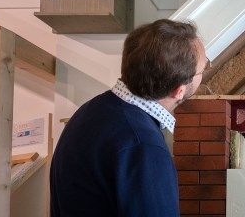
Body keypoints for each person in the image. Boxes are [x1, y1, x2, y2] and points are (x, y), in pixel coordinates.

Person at [50, 19, 208, 217]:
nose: (204, 72)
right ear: (179, 90)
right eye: (203, 69)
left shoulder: (89, 111)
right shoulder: (144, 147)